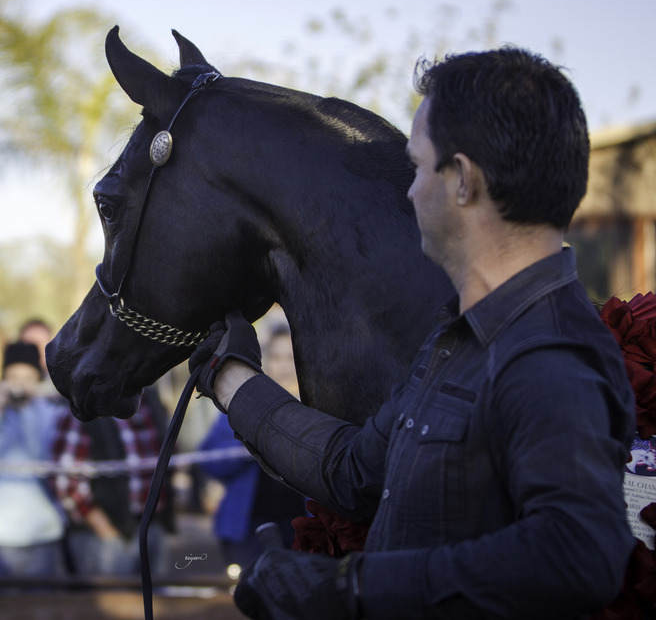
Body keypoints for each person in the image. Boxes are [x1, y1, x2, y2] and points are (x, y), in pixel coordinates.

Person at [189, 48, 636, 618]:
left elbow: (578, 555)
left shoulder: (550, 352)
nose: (409, 191)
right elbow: (354, 471)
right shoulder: (462, 339)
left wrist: (348, 588)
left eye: (419, 168)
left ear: (464, 181)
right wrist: (231, 382)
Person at [199, 323, 307, 570]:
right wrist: (250, 445)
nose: (283, 365)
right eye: (276, 357)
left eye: (291, 358)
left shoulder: (319, 404)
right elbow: (209, 460)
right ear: (266, 360)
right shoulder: (242, 402)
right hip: (249, 530)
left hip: (305, 528)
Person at [52, 386, 174, 577]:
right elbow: (66, 482)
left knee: (156, 602)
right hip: (105, 533)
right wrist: (105, 530)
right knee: (110, 601)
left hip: (152, 526)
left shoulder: (151, 401)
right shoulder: (84, 407)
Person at [0, 342, 67, 581]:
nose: (19, 384)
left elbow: (42, 458)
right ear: (2, 379)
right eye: (13, 376)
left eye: (27, 377)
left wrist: (26, 411)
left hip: (41, 532)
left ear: (38, 379)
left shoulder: (52, 415)